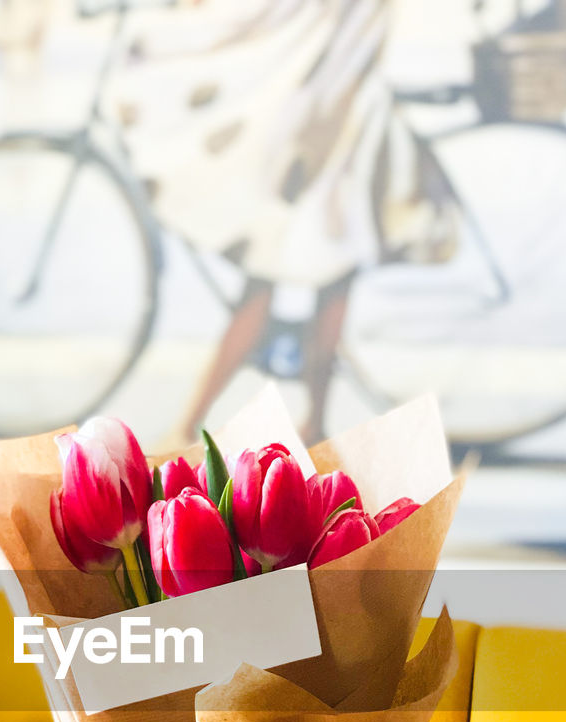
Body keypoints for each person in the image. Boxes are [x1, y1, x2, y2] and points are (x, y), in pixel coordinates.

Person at [108, 0, 455, 442]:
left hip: (319, 99)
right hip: (337, 93)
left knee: (271, 264)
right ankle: (307, 422)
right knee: (324, 260)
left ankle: (191, 425)